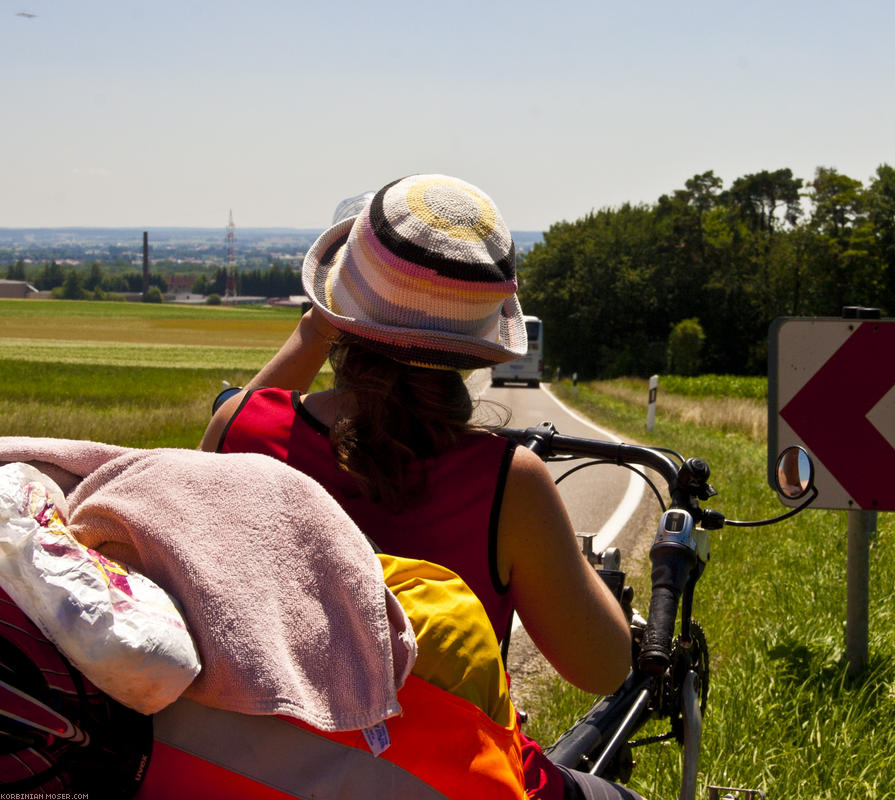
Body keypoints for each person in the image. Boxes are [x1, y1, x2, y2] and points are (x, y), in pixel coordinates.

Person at [194, 174, 635, 799]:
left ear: (334, 312)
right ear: (478, 348)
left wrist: (321, 323)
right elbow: (602, 667)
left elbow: (252, 406)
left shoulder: (241, 432)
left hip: (248, 773)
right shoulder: (508, 484)